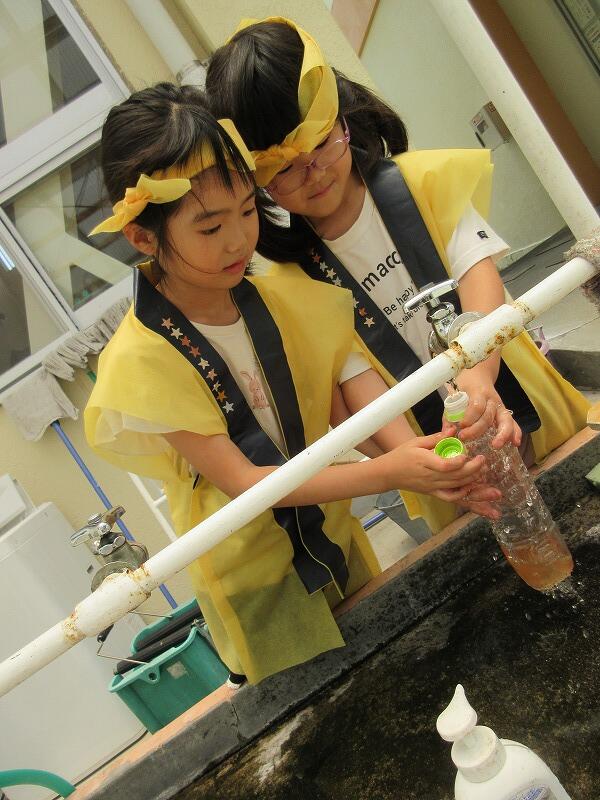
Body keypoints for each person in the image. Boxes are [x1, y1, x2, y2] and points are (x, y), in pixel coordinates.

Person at [84, 83, 497, 685]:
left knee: (401, 671)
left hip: (337, 537)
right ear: (144, 238)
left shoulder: (285, 296)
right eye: (210, 227)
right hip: (252, 580)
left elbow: (351, 384)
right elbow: (244, 482)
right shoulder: (139, 360)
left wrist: (416, 453)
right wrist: (393, 470)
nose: (238, 240)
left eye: (247, 211)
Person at [205, 16, 590, 533]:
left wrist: (476, 381)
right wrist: (417, 461)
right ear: (256, 183)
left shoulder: (422, 182)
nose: (314, 171)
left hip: (527, 402)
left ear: (343, 117)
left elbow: (479, 280)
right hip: (442, 469)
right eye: (286, 168)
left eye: (322, 142)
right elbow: (354, 387)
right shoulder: (293, 285)